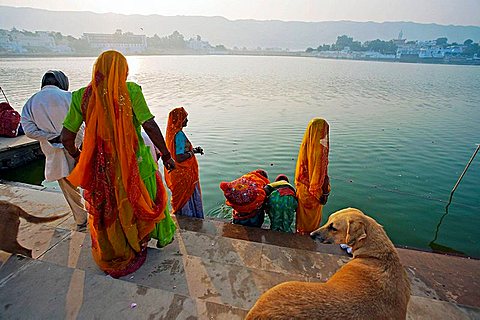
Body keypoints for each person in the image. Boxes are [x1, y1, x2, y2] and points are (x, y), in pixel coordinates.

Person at [60, 50, 176, 277]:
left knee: (110, 209)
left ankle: (119, 248)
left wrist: (78, 154)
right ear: (123, 70)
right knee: (138, 204)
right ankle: (139, 244)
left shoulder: (80, 97)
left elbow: (66, 137)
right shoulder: (131, 91)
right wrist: (167, 155)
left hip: (101, 169)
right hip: (136, 165)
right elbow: (150, 126)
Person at [21, 70, 88, 231]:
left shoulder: (31, 102)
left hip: (54, 152)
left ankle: (81, 218)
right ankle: (97, 215)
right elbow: (83, 124)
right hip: (78, 147)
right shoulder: (69, 97)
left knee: (67, 186)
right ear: (61, 82)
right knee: (88, 182)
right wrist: (73, 141)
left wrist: (52, 137)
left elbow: (29, 130)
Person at [164, 107, 204, 218]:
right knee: (187, 197)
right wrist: (192, 152)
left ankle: (184, 217)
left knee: (182, 199)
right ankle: (191, 218)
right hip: (184, 174)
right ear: (179, 120)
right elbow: (179, 157)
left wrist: (194, 150)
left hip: (177, 173)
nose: (187, 121)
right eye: (185, 118)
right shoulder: (179, 135)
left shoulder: (172, 134)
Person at [294, 118, 331, 235]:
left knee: (302, 219)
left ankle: (300, 235)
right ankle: (309, 239)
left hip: (302, 190)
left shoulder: (305, 146)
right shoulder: (320, 151)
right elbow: (322, 176)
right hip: (314, 194)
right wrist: (325, 194)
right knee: (312, 222)